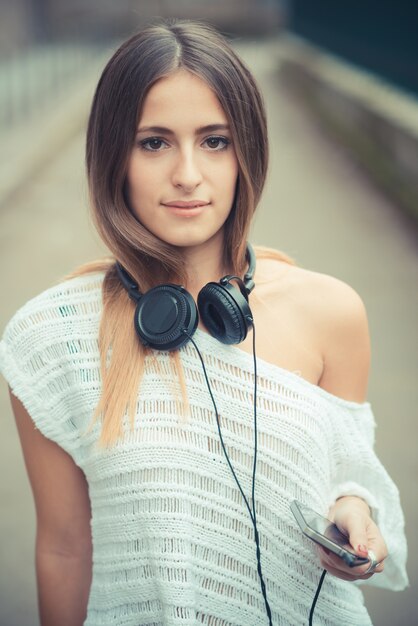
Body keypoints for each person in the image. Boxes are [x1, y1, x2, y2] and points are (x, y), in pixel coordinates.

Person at [0, 19, 408, 626]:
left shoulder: (333, 313)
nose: (188, 174)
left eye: (214, 140)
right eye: (154, 142)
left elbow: (348, 479)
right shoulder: (50, 338)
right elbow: (63, 547)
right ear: (114, 157)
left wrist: (354, 515)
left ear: (249, 150)